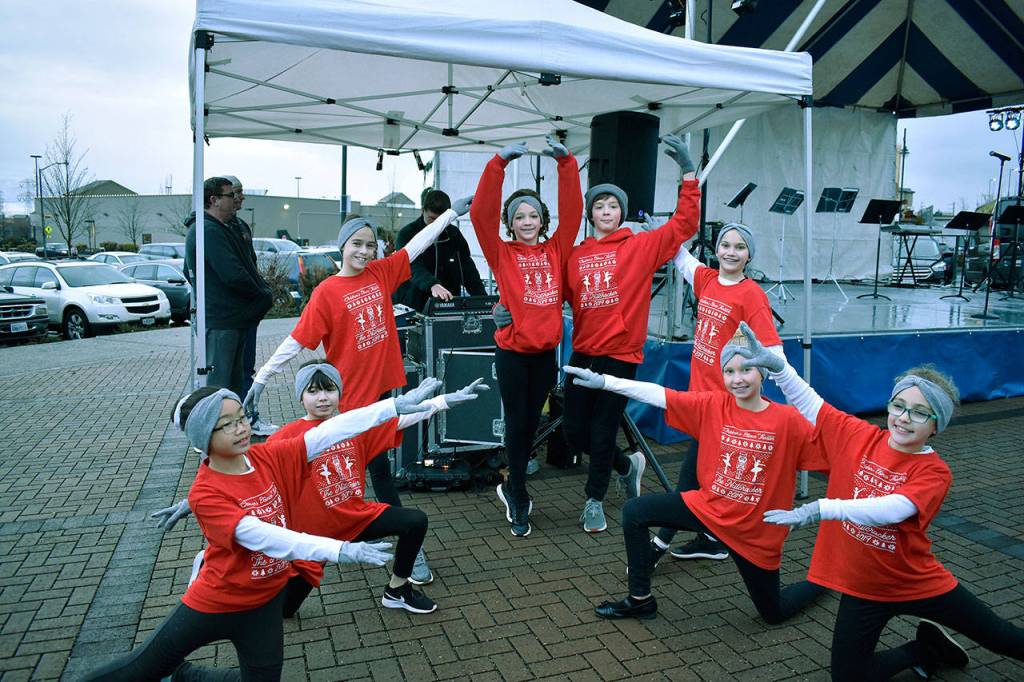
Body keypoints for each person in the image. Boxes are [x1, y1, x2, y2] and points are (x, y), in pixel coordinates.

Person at [82, 380, 441, 681]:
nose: (240, 428)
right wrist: (339, 550)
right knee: (141, 669)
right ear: (204, 437)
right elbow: (260, 535)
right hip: (217, 601)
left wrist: (395, 406)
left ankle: (187, 676)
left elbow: (331, 430)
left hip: (265, 601)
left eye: (241, 418)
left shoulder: (264, 457)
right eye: (226, 425)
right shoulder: (205, 491)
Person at [741, 325, 1024, 681]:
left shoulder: (935, 472)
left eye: (920, 413)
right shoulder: (859, 436)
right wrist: (780, 369)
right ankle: (926, 649)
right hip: (864, 587)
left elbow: (895, 509)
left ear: (936, 426)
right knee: (847, 677)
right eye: (899, 405)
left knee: (1002, 638)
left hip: (914, 580)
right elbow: (811, 403)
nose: (904, 418)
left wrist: (823, 508)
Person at [243, 205, 469, 583]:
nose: (364, 251)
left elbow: (414, 247)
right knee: (360, 474)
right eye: (357, 244)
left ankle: (385, 544)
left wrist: (448, 216)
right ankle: (381, 548)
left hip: (383, 394)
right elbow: (297, 341)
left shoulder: (380, 273)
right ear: (342, 246)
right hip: (348, 402)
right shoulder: (327, 292)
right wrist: (262, 378)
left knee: (376, 470)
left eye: (371, 245)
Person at [155, 361, 489, 615]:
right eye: (313, 391)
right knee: (285, 611)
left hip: (355, 518)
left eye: (329, 389)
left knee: (414, 520)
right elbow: (244, 472)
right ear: (300, 396)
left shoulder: (357, 425)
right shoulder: (287, 437)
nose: (322, 397)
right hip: (312, 534)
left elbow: (402, 417)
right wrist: (192, 501)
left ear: (339, 393)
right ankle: (212, 567)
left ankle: (397, 590)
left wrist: (446, 401)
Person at [564, 334, 827, 622]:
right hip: (709, 510)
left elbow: (832, 443)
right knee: (634, 512)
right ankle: (640, 600)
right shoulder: (713, 404)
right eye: (729, 371)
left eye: (746, 369)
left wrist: (830, 508)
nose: (737, 379)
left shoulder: (787, 420)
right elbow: (657, 394)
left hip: (753, 533)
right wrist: (604, 382)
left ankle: (822, 583)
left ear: (762, 373)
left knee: (773, 613)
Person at [563, 134, 701, 533]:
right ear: (590, 214)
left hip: (621, 356)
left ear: (621, 212)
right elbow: (558, 296)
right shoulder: (576, 255)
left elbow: (684, 224)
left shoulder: (640, 246)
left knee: (604, 431)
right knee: (575, 435)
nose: (606, 210)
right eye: (599, 205)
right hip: (583, 352)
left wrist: (688, 173)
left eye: (613, 205)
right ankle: (629, 464)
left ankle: (594, 499)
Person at [468, 135, 582, 536]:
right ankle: (517, 492)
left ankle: (513, 482)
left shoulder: (557, 250)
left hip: (545, 355)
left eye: (533, 215)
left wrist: (566, 164)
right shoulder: (501, 254)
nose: (527, 222)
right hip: (514, 354)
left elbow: (574, 213)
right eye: (520, 216)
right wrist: (498, 162)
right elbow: (481, 214)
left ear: (542, 220)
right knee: (518, 424)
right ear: (511, 223)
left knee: (531, 424)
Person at [655, 222, 784, 563]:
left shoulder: (752, 295)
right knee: (707, 471)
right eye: (725, 244)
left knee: (692, 469)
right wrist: (665, 230)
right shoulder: (708, 280)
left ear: (748, 255)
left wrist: (766, 387)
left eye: (739, 247)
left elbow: (771, 348)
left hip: (724, 400)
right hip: (700, 393)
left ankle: (660, 542)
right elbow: (681, 259)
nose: (730, 252)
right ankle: (712, 536)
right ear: (716, 249)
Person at [185, 177, 273, 398]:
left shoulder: (225, 228)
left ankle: (233, 426)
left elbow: (244, 266)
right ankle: (215, 429)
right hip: (221, 322)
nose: (235, 199)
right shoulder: (207, 231)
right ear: (214, 199)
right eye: (230, 195)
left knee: (232, 386)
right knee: (219, 388)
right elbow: (232, 274)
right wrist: (262, 294)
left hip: (232, 320)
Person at [222, 175, 277, 436]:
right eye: (237, 192)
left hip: (247, 314)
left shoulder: (240, 226)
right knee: (227, 371)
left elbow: (249, 265)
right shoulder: (213, 229)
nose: (241, 197)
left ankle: (248, 417)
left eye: (241, 192)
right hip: (229, 316)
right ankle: (232, 422)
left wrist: (261, 294)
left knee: (245, 368)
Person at [394, 189, 485, 311]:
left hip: (447, 304)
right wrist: (432, 284)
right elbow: (411, 266)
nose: (437, 224)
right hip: (412, 304)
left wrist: (482, 298)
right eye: (432, 219)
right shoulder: (407, 233)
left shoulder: (454, 235)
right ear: (423, 210)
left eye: (442, 219)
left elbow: (467, 268)